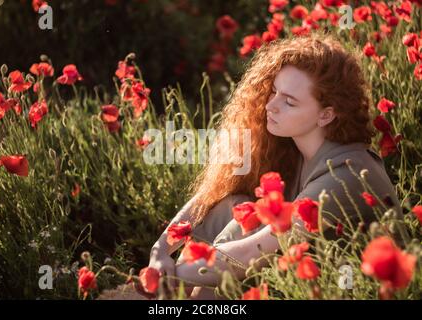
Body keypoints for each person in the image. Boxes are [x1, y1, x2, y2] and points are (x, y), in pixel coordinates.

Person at [148, 32, 403, 300]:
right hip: (304, 275)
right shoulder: (289, 148)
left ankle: (178, 296)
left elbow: (250, 253)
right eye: (275, 92)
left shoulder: (346, 174)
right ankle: (174, 298)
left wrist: (167, 275)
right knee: (234, 205)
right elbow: (210, 199)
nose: (271, 105)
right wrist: (160, 251)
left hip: (352, 289)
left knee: (242, 238)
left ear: (326, 114)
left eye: (289, 101)